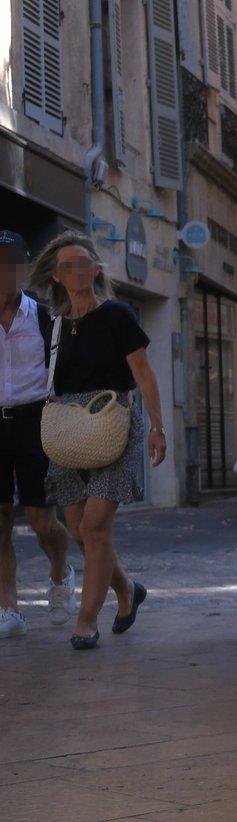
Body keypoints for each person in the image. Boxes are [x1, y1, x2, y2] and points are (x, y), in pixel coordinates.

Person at [30, 233, 167, 650]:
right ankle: (126, 589)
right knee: (76, 528)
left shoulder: (118, 315)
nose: (76, 271)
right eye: (68, 265)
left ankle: (86, 621)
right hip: (69, 428)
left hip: (112, 420)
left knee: (96, 528)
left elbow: (143, 372)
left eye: (84, 263)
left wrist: (158, 428)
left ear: (96, 270)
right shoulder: (53, 323)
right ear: (56, 275)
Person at [0, 232, 73, 637]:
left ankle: (61, 573)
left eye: (10, 262)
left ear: (24, 269)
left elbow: (63, 369)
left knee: (42, 520)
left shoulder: (46, 317)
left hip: (35, 422)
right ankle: (8, 607)